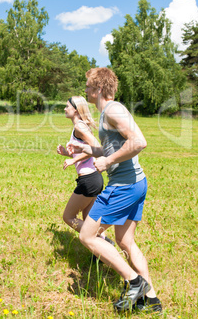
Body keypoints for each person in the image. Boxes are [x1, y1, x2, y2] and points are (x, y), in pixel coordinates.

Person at [67, 68, 162, 314]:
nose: (85, 90)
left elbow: (139, 141)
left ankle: (135, 282)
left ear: (98, 88)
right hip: (136, 183)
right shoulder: (105, 113)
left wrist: (107, 163)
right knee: (125, 241)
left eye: (88, 86)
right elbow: (111, 148)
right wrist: (85, 152)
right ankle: (152, 301)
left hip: (124, 186)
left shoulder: (113, 109)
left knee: (87, 236)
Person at [57, 96, 114, 245]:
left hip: (89, 180)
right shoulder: (80, 126)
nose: (65, 109)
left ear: (75, 110)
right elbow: (85, 150)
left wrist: (73, 160)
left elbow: (95, 147)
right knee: (89, 220)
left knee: (68, 217)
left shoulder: (79, 127)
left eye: (67, 106)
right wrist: (66, 153)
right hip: (94, 179)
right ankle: (99, 253)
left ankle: (103, 241)